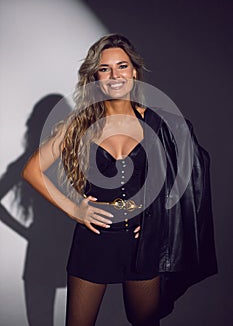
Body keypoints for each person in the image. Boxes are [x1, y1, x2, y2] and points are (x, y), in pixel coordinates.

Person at [22, 34, 217, 326]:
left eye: (122, 66)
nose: (114, 75)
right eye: (104, 69)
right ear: (95, 77)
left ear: (134, 72)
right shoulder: (81, 123)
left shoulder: (160, 124)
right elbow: (31, 170)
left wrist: (158, 222)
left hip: (142, 244)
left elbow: (190, 178)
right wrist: (75, 209)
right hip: (94, 240)